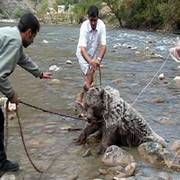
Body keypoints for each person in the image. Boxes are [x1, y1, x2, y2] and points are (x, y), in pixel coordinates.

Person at [0, 13, 52, 172]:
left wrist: (40, 73)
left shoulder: (11, 33)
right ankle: (1, 163)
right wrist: (12, 95)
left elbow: (23, 59)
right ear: (29, 32)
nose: (33, 40)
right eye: (34, 36)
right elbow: (0, 75)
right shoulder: (15, 42)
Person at [76, 5, 107, 107]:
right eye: (91, 20)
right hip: (83, 55)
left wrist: (98, 60)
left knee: (90, 80)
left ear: (98, 18)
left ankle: (80, 99)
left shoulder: (102, 25)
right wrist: (91, 62)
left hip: (93, 55)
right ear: (88, 18)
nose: (93, 23)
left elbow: (103, 46)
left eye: (95, 20)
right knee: (89, 77)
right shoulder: (84, 27)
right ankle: (86, 104)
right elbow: (82, 49)